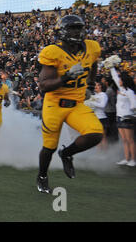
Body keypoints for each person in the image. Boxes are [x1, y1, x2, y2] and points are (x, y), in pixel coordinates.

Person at [36, 15, 103, 194]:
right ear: (63, 31)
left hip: (76, 104)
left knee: (95, 134)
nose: (77, 32)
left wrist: (89, 84)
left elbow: (93, 64)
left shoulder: (91, 47)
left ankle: (67, 154)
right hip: (55, 104)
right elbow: (43, 86)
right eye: (73, 28)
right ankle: (42, 176)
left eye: (79, 28)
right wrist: (66, 77)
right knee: (49, 147)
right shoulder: (53, 52)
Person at [104, 56, 136, 166]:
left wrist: (129, 112)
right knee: (124, 140)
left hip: (127, 117)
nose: (119, 81)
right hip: (120, 116)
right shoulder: (122, 89)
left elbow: (134, 105)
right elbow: (115, 77)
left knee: (130, 140)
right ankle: (126, 159)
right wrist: (111, 67)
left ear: (125, 81)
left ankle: (133, 160)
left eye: (121, 80)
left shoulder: (130, 92)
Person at [84, 82, 109, 150]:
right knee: (96, 138)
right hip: (94, 118)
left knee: (103, 137)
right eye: (95, 85)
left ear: (101, 86)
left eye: (98, 85)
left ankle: (105, 153)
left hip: (102, 118)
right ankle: (99, 153)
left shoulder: (103, 95)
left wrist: (92, 102)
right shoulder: (94, 95)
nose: (96, 86)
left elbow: (102, 105)